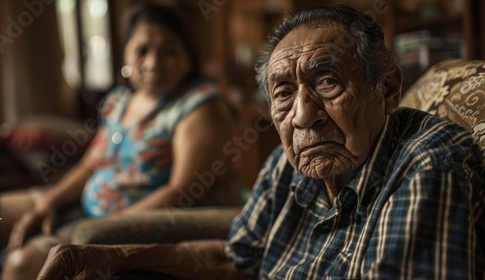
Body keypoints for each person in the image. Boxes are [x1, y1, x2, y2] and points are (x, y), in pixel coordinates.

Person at [36, 5, 485, 280]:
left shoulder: (427, 163)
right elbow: (237, 259)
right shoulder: (285, 166)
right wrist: (106, 257)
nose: (303, 116)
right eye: (284, 93)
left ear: (386, 90)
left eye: (327, 82)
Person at [0, 3, 240, 280]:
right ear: (125, 57)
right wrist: (49, 201)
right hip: (85, 205)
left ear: (189, 57)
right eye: (142, 50)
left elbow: (180, 192)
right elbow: (92, 163)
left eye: (169, 51)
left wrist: (106, 226)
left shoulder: (201, 106)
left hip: (126, 219)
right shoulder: (120, 100)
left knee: (21, 263)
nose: (153, 62)